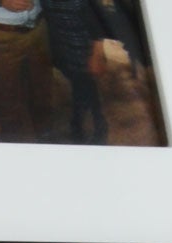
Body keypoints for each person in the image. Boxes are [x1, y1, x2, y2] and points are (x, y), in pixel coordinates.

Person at [0, 0, 57, 143]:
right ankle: (12, 143)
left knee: (43, 88)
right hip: (1, 33)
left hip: (38, 26)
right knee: (7, 95)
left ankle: (46, 137)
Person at [45, 0, 110, 143]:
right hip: (60, 42)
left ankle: (96, 123)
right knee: (77, 81)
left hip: (83, 42)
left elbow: (98, 19)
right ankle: (84, 119)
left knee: (84, 81)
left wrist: (97, 54)